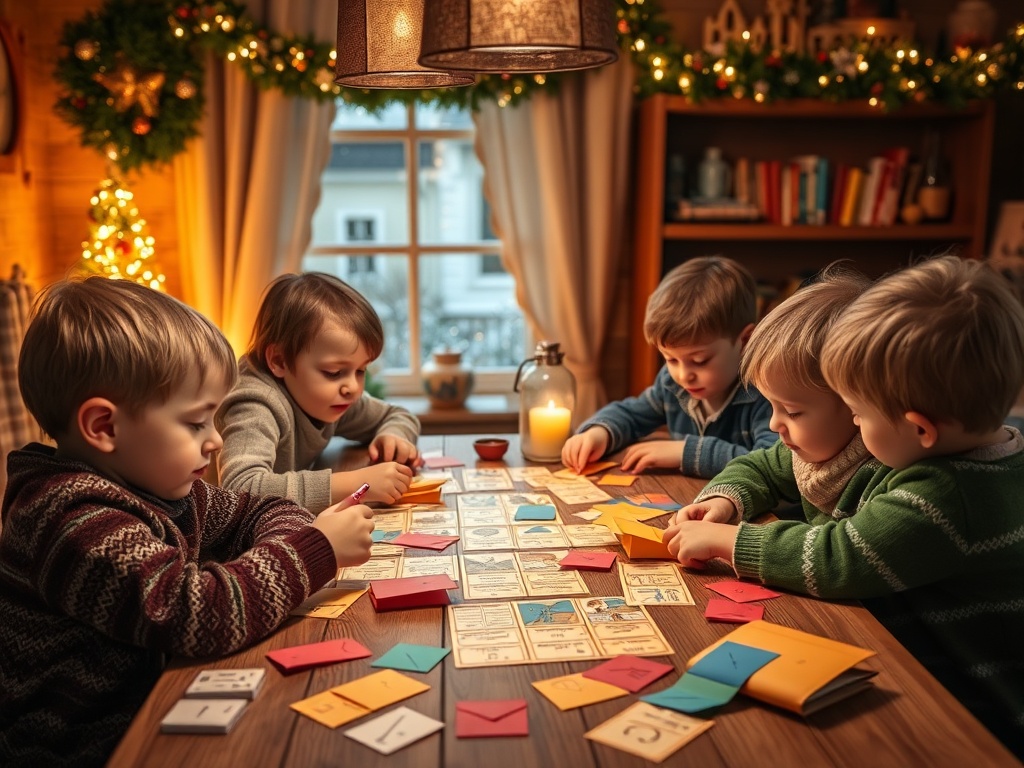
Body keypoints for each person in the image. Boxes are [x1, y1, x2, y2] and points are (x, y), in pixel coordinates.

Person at [0, 278, 375, 767]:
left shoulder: (159, 485)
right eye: (196, 422)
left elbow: (256, 510)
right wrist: (315, 548)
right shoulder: (70, 518)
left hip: (151, 709)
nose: (216, 440)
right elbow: (197, 613)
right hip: (80, 749)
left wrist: (292, 539)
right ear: (105, 427)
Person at [664, 256, 1024, 756]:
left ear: (919, 428)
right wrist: (727, 500)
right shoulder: (917, 447)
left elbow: (844, 557)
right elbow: (767, 466)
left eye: (858, 412)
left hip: (976, 710)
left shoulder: (947, 492)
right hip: (912, 663)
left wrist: (733, 541)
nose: (856, 424)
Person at [665, 266, 877, 530]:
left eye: (792, 412)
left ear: (856, 405)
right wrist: (722, 501)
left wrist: (734, 542)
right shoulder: (806, 451)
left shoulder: (890, 474)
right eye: (773, 407)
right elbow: (760, 468)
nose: (774, 425)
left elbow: (838, 551)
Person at [216, 273, 421, 513]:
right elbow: (238, 490)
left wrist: (394, 437)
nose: (352, 387)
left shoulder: (329, 397)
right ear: (279, 361)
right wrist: (356, 484)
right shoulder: (256, 406)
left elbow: (397, 415)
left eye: (361, 370)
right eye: (334, 372)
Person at [561, 256, 775, 478]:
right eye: (671, 360)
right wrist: (599, 432)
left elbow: (772, 465)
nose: (683, 375)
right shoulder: (671, 383)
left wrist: (686, 452)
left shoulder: (768, 394)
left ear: (746, 341)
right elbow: (632, 414)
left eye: (700, 361)